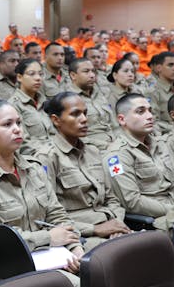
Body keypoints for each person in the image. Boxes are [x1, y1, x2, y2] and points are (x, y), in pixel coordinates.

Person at [0, 100, 87, 278]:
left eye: (18, 123)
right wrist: (48, 238)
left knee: (99, 267)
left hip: (47, 257)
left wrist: (75, 249)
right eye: (7, 124)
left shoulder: (33, 168)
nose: (17, 129)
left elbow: (57, 215)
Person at [41, 92, 131, 241]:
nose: (84, 119)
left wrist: (117, 224)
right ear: (56, 120)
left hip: (112, 225)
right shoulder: (47, 158)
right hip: (80, 235)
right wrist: (94, 229)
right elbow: (49, 215)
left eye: (85, 113)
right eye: (75, 114)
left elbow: (112, 198)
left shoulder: (93, 151)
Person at [103, 93, 174, 230]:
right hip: (157, 220)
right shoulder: (117, 156)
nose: (149, 116)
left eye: (150, 110)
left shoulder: (159, 143)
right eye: (140, 111)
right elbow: (133, 202)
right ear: (122, 119)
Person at [67, 57, 116, 149]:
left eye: (93, 71)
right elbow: (74, 137)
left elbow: (115, 125)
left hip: (114, 143)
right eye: (86, 71)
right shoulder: (68, 99)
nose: (92, 75)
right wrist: (107, 146)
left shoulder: (100, 94)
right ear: (73, 75)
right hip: (91, 149)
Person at [8, 58, 54, 156]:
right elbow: (23, 144)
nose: (38, 78)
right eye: (32, 74)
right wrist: (51, 153)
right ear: (19, 77)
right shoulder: (13, 105)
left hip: (56, 150)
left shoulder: (45, 101)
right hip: (38, 156)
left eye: (41, 74)